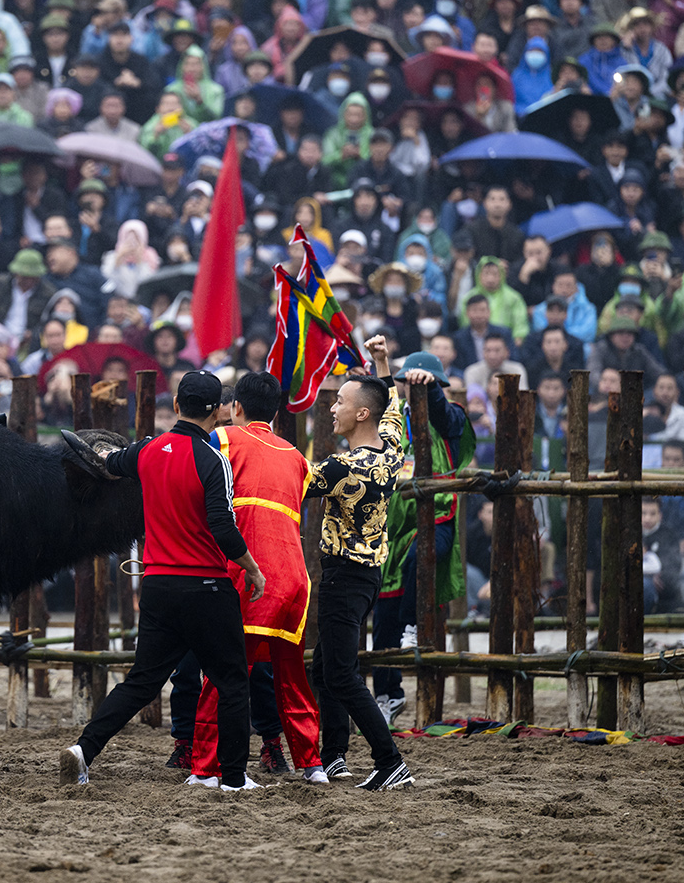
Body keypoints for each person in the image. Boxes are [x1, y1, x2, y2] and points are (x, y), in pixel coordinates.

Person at [60, 371, 267, 791]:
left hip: (157, 587)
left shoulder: (146, 451)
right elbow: (223, 528)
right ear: (218, 412)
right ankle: (233, 778)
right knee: (230, 682)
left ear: (175, 404)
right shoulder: (214, 461)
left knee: (141, 682)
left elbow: (104, 461)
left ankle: (84, 749)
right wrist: (253, 568)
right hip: (206, 588)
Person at [188, 372, 326, 786]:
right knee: (293, 676)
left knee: (223, 675)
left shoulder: (224, 439)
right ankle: (311, 763)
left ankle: (205, 767)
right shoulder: (297, 457)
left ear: (237, 408)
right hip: (293, 580)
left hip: (248, 577)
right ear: (279, 411)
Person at [302, 335, 414, 790]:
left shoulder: (341, 468)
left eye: (341, 402)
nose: (333, 407)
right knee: (324, 669)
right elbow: (392, 407)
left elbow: (288, 481)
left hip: (342, 579)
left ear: (360, 414)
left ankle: (390, 762)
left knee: (341, 675)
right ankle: (334, 757)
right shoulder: (389, 452)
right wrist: (382, 360)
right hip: (366, 577)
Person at [373, 351, 473, 720]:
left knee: (422, 558)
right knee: (383, 617)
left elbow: (446, 418)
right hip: (392, 526)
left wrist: (430, 393)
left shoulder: (452, 417)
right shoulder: (393, 421)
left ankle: (414, 623)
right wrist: (379, 364)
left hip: (436, 517)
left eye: (421, 384)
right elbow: (381, 398)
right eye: (406, 384)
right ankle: (388, 695)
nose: (409, 390)